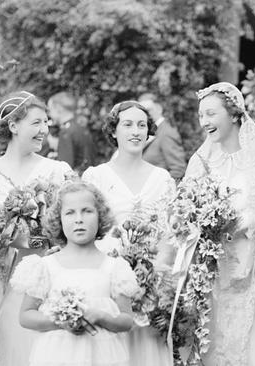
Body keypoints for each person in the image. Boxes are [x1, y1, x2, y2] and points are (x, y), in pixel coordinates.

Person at [184, 82, 255, 366]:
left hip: (253, 269)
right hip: (214, 274)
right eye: (201, 115)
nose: (204, 122)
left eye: (210, 114)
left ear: (233, 114)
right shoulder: (201, 162)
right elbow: (184, 212)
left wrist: (240, 222)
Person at [0, 91, 73, 366]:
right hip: (1, 281)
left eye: (47, 122)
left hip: (47, 282)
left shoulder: (58, 172)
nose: (45, 129)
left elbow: (72, 229)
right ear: (14, 125)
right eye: (36, 122)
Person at [82, 100, 175, 366]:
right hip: (108, 282)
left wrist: (157, 276)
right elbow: (89, 233)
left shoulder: (163, 179)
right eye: (128, 124)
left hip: (153, 285)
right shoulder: (96, 177)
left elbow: (170, 235)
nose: (136, 131)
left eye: (142, 125)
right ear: (113, 131)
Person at [11, 181, 138, 366]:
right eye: (70, 212)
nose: (79, 219)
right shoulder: (46, 266)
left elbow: (127, 321)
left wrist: (103, 317)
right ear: (59, 220)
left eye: (87, 211)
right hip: (56, 356)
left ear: (100, 217)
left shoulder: (114, 267)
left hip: (103, 357)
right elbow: (26, 316)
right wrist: (60, 321)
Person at [138, 93, 187, 181]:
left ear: (159, 109)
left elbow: (178, 169)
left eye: (148, 111)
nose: (145, 116)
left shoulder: (166, 133)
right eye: (142, 112)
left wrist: (158, 188)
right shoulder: (146, 131)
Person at [48, 91, 96, 172]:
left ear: (59, 109)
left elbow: (64, 167)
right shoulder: (80, 127)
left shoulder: (66, 132)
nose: (49, 114)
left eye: (50, 110)